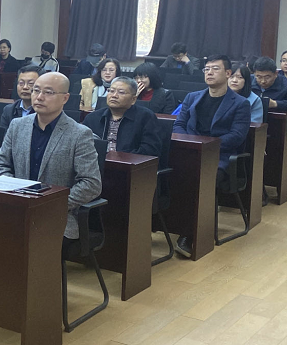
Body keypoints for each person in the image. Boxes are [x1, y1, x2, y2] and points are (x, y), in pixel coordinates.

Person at [0, 72, 102, 240]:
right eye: (36, 90)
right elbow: (1, 165)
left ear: (65, 98)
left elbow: (91, 183)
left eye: (48, 92)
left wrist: (51, 204)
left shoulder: (79, 134)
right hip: (17, 209)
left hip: (56, 215)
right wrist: (15, 196)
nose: (39, 97)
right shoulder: (17, 125)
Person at [173, 55, 251, 257]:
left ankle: (188, 235)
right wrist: (191, 144)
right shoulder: (192, 97)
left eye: (215, 69)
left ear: (228, 73)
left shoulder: (240, 103)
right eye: (206, 69)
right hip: (190, 154)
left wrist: (207, 146)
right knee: (164, 175)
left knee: (198, 180)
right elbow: (179, 125)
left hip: (219, 158)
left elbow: (237, 136)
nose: (209, 72)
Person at [82, 77, 161, 156]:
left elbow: (150, 150)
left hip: (130, 163)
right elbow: (82, 146)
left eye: (121, 92)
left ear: (133, 99)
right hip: (96, 162)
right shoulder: (92, 118)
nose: (114, 95)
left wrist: (119, 158)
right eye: (111, 91)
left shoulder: (146, 117)